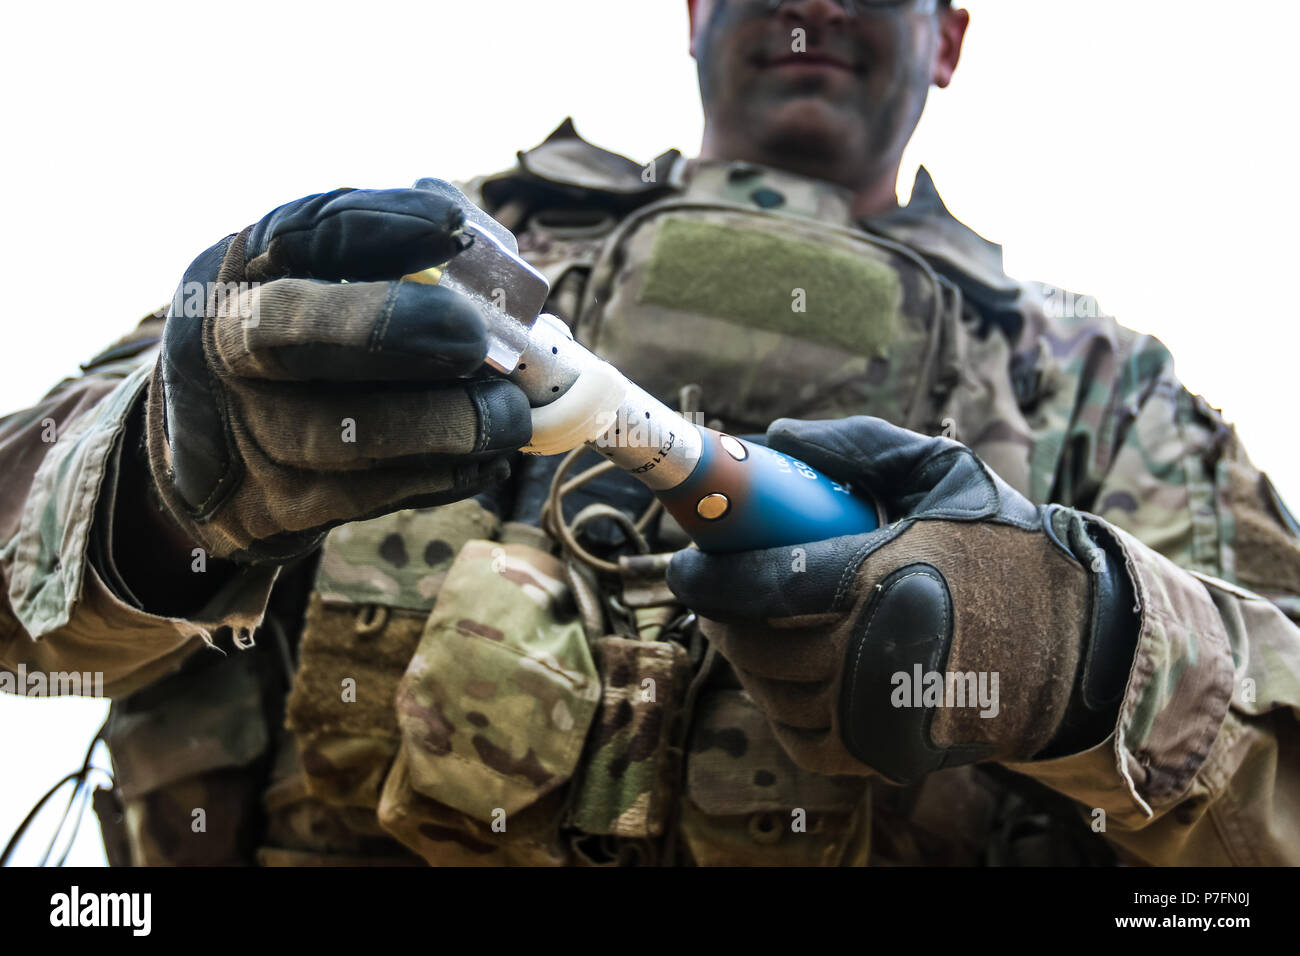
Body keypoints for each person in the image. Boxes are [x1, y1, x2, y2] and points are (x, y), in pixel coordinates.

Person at [1, 0, 1297, 867]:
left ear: (949, 37)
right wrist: (156, 499)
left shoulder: (1103, 393)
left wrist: (1082, 647)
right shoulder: (421, 263)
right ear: (690, 9)